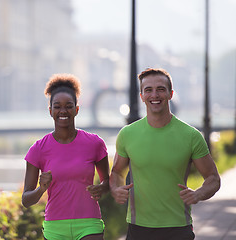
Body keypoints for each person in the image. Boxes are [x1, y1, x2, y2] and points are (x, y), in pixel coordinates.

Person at [109, 68, 221, 240]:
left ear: (170, 94)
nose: (155, 95)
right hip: (138, 228)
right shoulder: (127, 134)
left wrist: (197, 194)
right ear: (141, 96)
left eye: (161, 89)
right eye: (148, 90)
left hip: (178, 228)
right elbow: (117, 172)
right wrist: (116, 189)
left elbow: (213, 178)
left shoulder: (191, 136)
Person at [22, 73, 110, 240]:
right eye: (57, 106)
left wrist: (102, 187)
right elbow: (26, 200)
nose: (63, 111)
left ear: (76, 109)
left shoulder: (94, 143)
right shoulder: (38, 149)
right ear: (50, 111)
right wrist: (41, 188)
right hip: (55, 226)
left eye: (69, 106)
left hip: (88, 223)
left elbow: (108, 182)